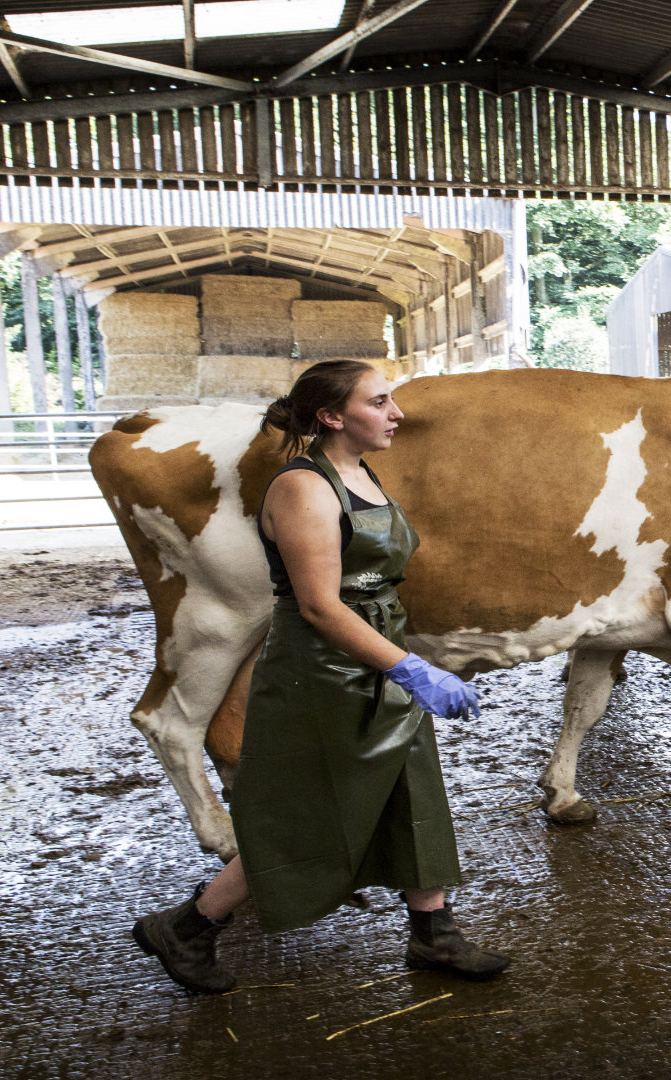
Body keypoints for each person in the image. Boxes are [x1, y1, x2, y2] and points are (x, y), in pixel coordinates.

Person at [131, 359, 508, 994]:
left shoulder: (363, 473)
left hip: (376, 651)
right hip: (324, 670)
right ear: (332, 416)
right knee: (309, 815)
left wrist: (399, 661)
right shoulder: (303, 488)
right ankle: (188, 927)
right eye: (380, 402)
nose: (398, 414)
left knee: (410, 788)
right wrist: (412, 667)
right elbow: (319, 605)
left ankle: (433, 933)